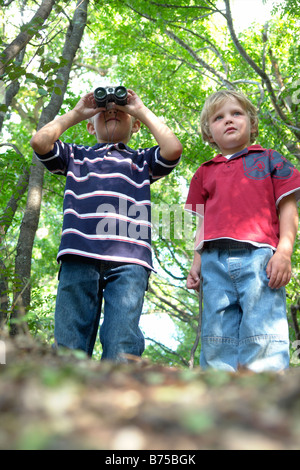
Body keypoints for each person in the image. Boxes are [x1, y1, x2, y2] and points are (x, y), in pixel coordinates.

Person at [30, 88, 182, 361]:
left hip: (129, 260)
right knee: (69, 341)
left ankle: (119, 398)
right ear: (90, 126)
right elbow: (40, 142)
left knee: (121, 338)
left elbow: (173, 149)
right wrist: (77, 113)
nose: (112, 112)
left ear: (135, 125)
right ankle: (68, 397)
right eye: (104, 111)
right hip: (79, 254)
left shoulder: (142, 161)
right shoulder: (75, 156)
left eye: (120, 111)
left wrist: (140, 109)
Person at [185, 89, 300, 372]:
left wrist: (284, 252)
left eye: (236, 113)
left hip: (260, 258)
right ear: (208, 132)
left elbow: (288, 208)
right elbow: (202, 221)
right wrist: (197, 260)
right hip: (213, 261)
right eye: (218, 117)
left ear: (251, 121)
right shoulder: (204, 172)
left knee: (262, 331)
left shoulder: (271, 160)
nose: (229, 120)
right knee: (216, 331)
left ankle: (266, 394)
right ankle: (219, 396)